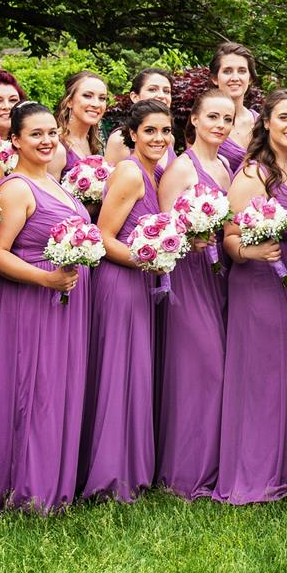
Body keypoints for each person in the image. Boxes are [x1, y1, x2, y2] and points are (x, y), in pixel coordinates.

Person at [0, 101, 92, 513]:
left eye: (51, 133)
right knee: (30, 387)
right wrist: (46, 279)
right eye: (36, 134)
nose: (46, 141)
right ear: (16, 141)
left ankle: (52, 480)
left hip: (63, 303)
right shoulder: (17, 188)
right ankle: (20, 488)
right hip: (28, 304)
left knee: (55, 390)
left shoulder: (56, 183)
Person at [214, 89, 287, 505]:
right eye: (284, 117)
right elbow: (230, 237)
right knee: (263, 376)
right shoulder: (253, 173)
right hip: (260, 281)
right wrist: (251, 252)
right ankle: (256, 472)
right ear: (266, 122)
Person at [79, 98, 169, 503]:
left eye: (165, 130)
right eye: (149, 130)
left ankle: (130, 469)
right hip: (120, 283)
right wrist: (147, 258)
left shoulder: (154, 172)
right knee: (118, 372)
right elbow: (102, 237)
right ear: (132, 134)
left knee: (134, 372)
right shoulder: (131, 173)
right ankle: (110, 476)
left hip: (139, 283)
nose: (159, 138)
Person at [153, 88, 237, 499]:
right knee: (200, 371)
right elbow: (163, 232)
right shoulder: (181, 170)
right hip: (186, 279)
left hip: (217, 276)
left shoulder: (225, 165)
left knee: (216, 373)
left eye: (227, 118)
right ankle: (183, 474)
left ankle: (211, 465)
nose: (220, 125)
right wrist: (192, 240)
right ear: (195, 120)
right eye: (213, 117)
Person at [102, 69, 172, 166]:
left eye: (166, 91)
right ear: (135, 97)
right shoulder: (119, 140)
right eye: (152, 89)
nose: (161, 95)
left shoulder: (169, 138)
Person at [211, 41, 261, 165]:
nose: (235, 78)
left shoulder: (261, 122)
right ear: (215, 78)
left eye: (242, 71)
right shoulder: (204, 122)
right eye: (227, 71)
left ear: (250, 78)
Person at [54, 71, 110, 175]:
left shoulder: (96, 144)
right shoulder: (56, 145)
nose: (96, 104)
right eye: (87, 96)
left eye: (102, 98)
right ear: (69, 101)